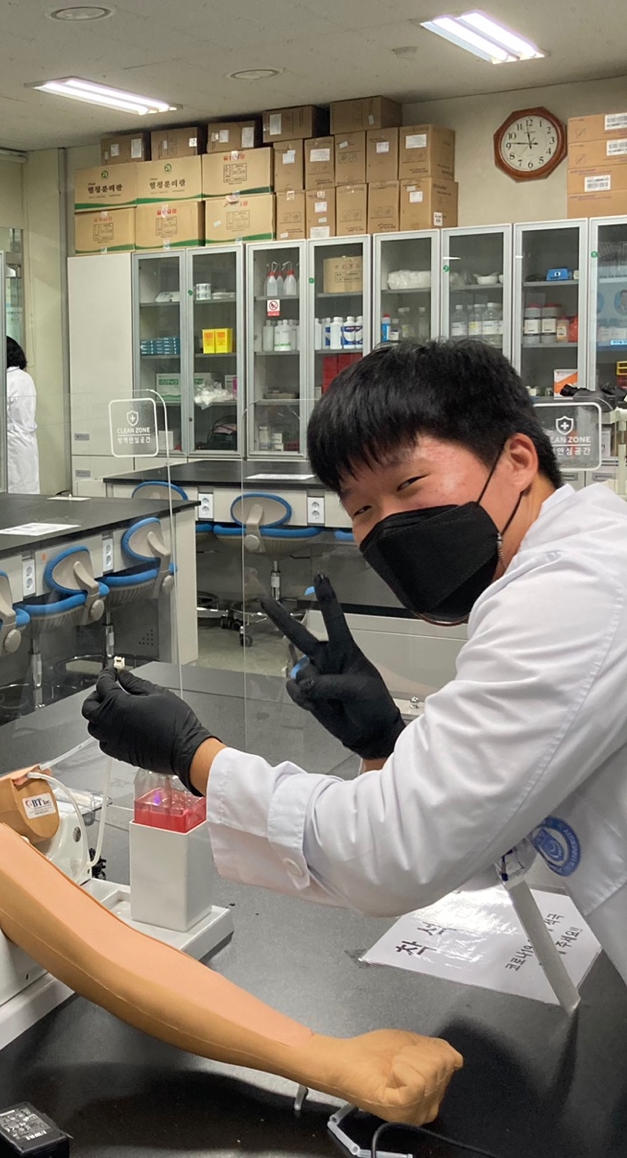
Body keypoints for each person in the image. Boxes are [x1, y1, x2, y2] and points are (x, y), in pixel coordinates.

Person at [84, 339, 627, 983]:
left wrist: (194, 755)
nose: (388, 525)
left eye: (408, 483)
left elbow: (391, 855)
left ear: (517, 459)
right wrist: (387, 746)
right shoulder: (577, 562)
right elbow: (479, 838)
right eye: (362, 508)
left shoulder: (574, 591)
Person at [6, 337, 40, 494]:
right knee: (28, 485)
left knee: (16, 486)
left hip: (13, 440)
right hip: (27, 438)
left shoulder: (7, 380)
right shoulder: (26, 377)